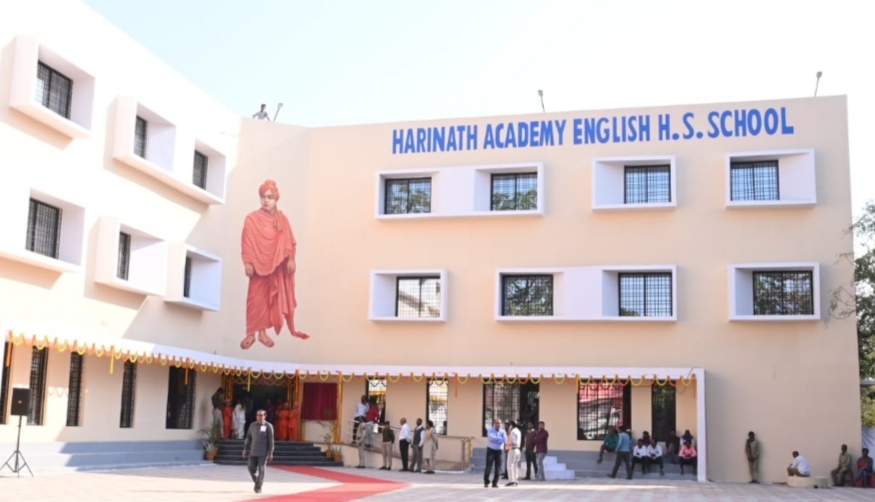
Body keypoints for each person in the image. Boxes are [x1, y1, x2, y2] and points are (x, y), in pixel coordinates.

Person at [240, 179, 309, 350]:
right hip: (257, 266)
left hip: (276, 267)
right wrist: (248, 262)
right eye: (263, 197)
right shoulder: (252, 219)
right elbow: (246, 242)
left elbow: (290, 242)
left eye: (270, 197)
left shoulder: (282, 220)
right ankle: (251, 332)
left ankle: (262, 333)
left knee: (269, 300)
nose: (266, 200)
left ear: (276, 199)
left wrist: (291, 259)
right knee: (255, 299)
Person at [242, 409, 274, 494]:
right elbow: (248, 438)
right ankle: (257, 481)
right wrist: (245, 449)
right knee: (250, 468)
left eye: (261, 415)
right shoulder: (252, 425)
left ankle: (258, 487)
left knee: (261, 470)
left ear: (265, 416)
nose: (259, 417)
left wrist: (270, 452)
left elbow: (271, 441)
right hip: (253, 451)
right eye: (258, 415)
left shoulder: (268, 426)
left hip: (263, 453)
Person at [484, 418, 507, 488]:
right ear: (494, 423)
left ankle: (495, 482)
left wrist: (496, 439)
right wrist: (500, 438)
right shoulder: (490, 430)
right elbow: (491, 438)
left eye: (499, 423)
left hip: (499, 451)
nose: (498, 425)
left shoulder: (503, 431)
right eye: (497, 423)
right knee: (489, 466)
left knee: (498, 468)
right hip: (491, 450)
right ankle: (486, 482)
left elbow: (505, 440)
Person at [505, 420, 521, 486]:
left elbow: (513, 441)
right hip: (517, 450)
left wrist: (506, 442)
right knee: (515, 466)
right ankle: (516, 480)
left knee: (510, 465)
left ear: (511, 425)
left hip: (513, 449)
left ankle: (511, 480)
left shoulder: (513, 431)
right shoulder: (518, 431)